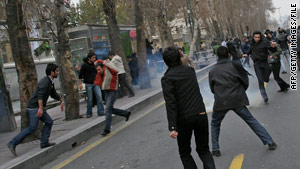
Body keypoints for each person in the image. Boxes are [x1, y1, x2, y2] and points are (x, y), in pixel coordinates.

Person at [209, 46, 277, 157]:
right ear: (229, 55)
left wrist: (221, 94)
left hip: (221, 101)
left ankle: (215, 149)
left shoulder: (212, 70)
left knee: (215, 123)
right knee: (251, 120)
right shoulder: (235, 66)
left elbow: (212, 88)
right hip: (237, 99)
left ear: (217, 56)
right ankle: (269, 142)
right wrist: (239, 92)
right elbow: (245, 82)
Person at [161, 46, 215, 169]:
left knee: (185, 152)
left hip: (183, 119)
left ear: (165, 62)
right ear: (180, 58)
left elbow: (171, 103)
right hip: (200, 113)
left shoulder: (167, 79)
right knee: (204, 150)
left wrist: (173, 127)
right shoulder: (190, 71)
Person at [7, 64, 64, 156]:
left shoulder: (50, 82)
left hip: (38, 107)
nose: (58, 72)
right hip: (34, 107)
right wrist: (41, 109)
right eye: (57, 71)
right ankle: (12, 143)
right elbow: (40, 96)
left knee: (49, 122)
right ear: (52, 72)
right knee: (32, 127)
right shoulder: (44, 82)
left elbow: (52, 93)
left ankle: (44, 142)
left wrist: (60, 99)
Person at [94, 60, 131, 136]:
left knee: (107, 110)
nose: (98, 71)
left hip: (113, 91)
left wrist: (105, 63)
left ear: (103, 67)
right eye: (97, 70)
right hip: (106, 92)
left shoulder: (109, 69)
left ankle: (107, 129)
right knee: (110, 109)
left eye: (99, 69)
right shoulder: (101, 74)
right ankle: (126, 113)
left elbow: (116, 70)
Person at [243, 31, 276, 103]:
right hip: (257, 64)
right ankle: (264, 96)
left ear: (260, 37)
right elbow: (250, 49)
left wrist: (273, 46)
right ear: (253, 37)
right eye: (256, 37)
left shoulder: (265, 42)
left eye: (258, 37)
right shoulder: (252, 43)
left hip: (264, 63)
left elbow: (272, 49)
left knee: (266, 79)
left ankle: (268, 75)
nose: (257, 39)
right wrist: (247, 54)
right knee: (260, 80)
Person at [79, 51, 105, 118]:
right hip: (88, 84)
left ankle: (101, 111)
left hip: (96, 83)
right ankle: (89, 113)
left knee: (99, 97)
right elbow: (80, 75)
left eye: (95, 57)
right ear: (89, 58)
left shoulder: (95, 65)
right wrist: (80, 84)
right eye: (93, 57)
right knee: (90, 99)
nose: (94, 59)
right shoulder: (84, 65)